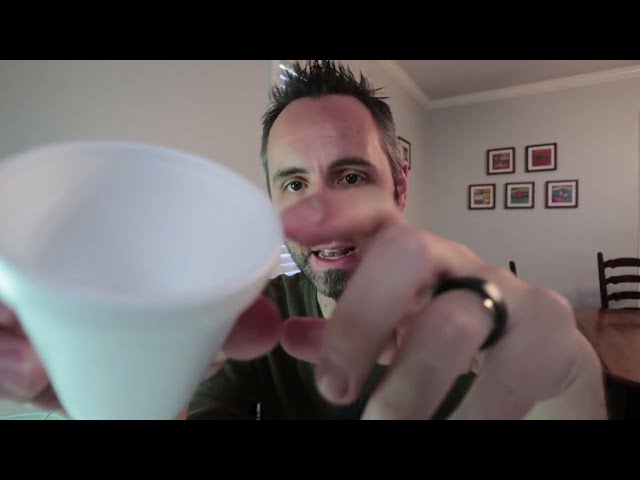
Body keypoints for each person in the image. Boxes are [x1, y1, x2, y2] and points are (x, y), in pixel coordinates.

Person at [0, 60, 607, 420]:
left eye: (351, 176)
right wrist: (138, 390)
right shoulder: (250, 318)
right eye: (294, 184)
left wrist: (571, 383)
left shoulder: (477, 324)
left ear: (398, 186)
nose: (325, 211)